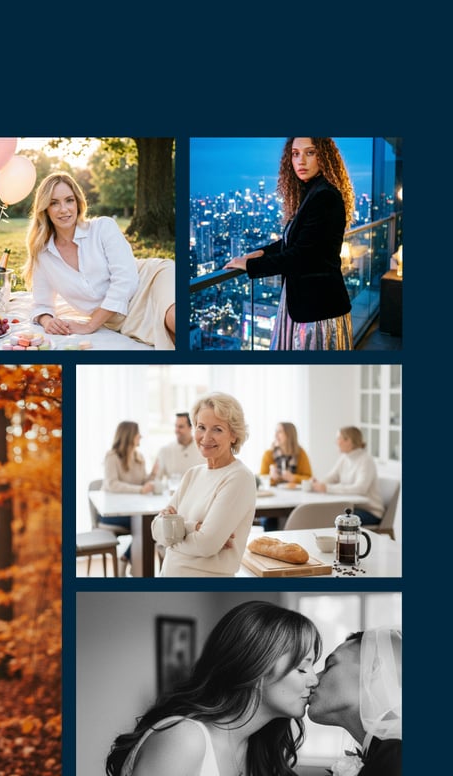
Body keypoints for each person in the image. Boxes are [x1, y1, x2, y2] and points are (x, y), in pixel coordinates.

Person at [105, 600, 321, 776]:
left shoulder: (252, 748)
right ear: (256, 668)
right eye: (302, 668)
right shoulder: (185, 740)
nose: (314, 680)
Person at [224, 138, 355, 350]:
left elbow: (301, 256)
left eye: (310, 152)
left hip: (317, 311)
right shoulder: (312, 192)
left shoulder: (325, 197)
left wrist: (249, 266)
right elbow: (294, 240)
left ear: (324, 156)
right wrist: (258, 253)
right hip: (306, 306)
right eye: (295, 154)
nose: (301, 160)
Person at [23, 172, 175, 349]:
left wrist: (90, 325)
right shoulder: (43, 255)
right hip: (117, 319)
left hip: (149, 283)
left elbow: (126, 280)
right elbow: (41, 304)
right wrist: (47, 320)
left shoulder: (103, 227)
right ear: (45, 209)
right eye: (54, 203)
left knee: (175, 320)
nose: (64, 209)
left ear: (78, 203)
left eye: (69, 200)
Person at [152, 393, 257, 576]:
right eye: (201, 427)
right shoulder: (193, 474)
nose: (206, 437)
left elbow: (206, 545)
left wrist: (173, 533)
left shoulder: (239, 478)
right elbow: (155, 530)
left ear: (233, 434)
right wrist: (193, 528)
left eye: (217, 429)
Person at [307, 628, 401, 776]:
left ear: (373, 669)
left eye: (329, 666)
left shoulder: (396, 758)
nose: (313, 680)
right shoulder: (384, 754)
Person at [101, 421, 155, 575]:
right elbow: (112, 484)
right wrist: (139, 490)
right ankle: (137, 569)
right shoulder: (112, 456)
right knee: (148, 526)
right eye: (138, 433)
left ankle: (125, 558)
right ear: (129, 435)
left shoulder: (139, 457)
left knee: (150, 524)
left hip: (134, 512)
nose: (141, 436)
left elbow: (144, 482)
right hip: (112, 514)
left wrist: (153, 474)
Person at [310, 426, 384, 524]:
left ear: (349, 440)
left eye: (339, 438)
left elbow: (360, 489)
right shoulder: (344, 458)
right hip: (351, 509)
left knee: (329, 519)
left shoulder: (366, 460)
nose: (337, 442)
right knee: (320, 515)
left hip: (369, 512)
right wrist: (318, 484)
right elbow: (332, 477)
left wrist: (327, 488)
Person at [258, 421, 313, 531]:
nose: (275, 435)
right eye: (276, 432)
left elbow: (309, 478)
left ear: (289, 434)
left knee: (300, 518)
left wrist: (293, 478)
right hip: (274, 499)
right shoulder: (269, 454)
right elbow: (261, 479)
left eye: (279, 432)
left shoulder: (300, 453)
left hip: (297, 498)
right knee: (269, 521)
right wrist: (271, 478)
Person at [151, 412, 206, 482]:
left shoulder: (203, 450)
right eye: (176, 426)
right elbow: (156, 480)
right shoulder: (165, 450)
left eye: (181, 427)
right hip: (173, 492)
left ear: (191, 428)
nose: (177, 430)